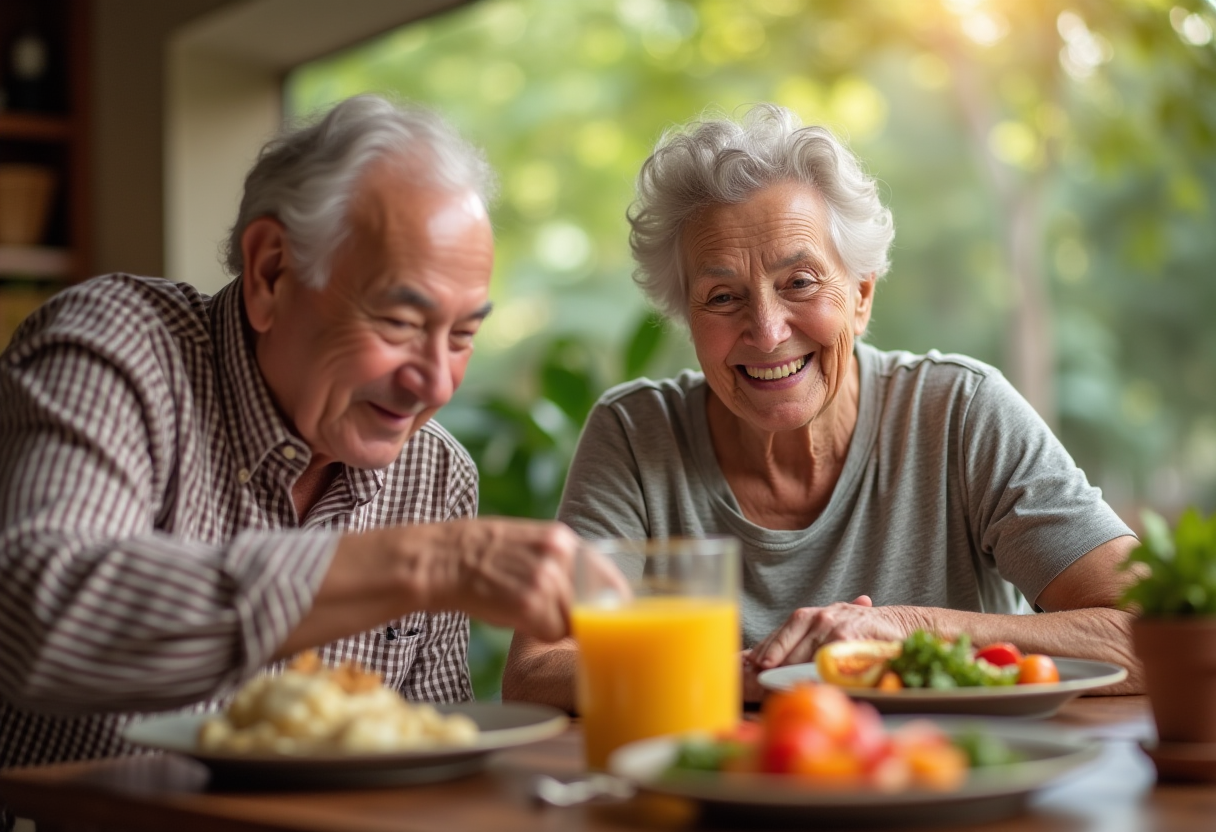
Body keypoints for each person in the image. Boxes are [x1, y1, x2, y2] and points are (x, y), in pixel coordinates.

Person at [0, 95, 616, 804]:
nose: (435, 382)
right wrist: (435, 562)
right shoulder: (120, 349)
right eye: (398, 321)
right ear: (271, 274)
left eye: (463, 335)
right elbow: (41, 618)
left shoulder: (435, 471)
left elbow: (435, 752)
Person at [502, 104, 1142, 711]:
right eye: (722, 297)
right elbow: (539, 670)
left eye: (799, 283)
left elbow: (1152, 634)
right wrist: (759, 675)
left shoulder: (960, 412)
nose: (768, 329)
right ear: (687, 319)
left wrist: (908, 628)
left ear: (861, 297)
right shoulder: (637, 435)